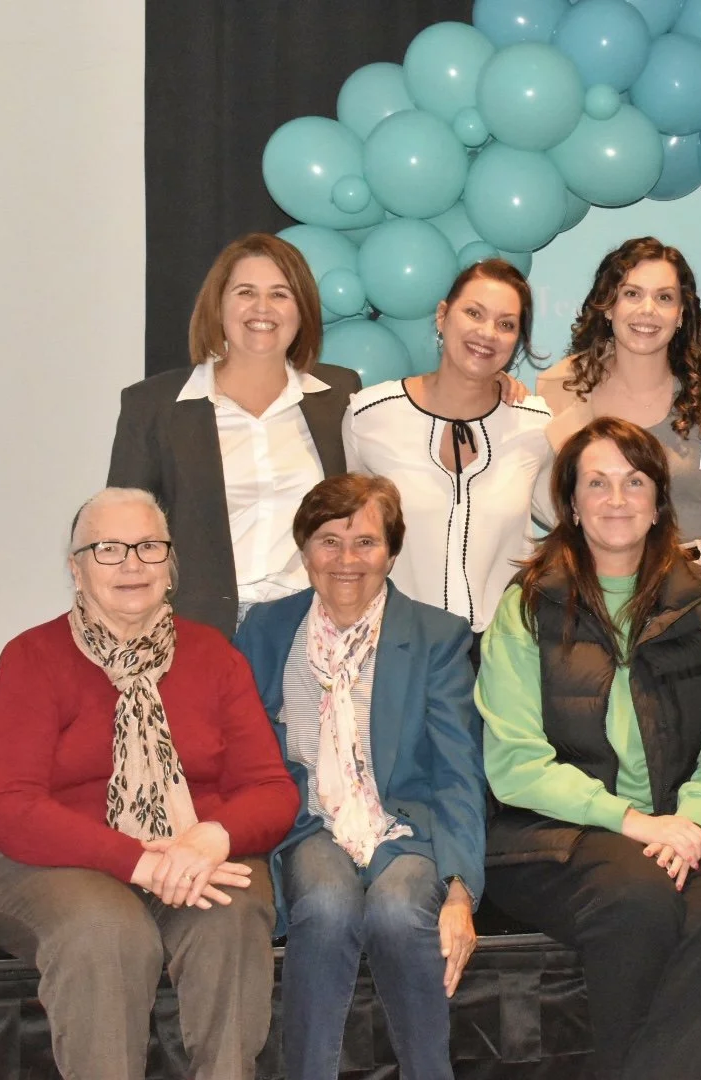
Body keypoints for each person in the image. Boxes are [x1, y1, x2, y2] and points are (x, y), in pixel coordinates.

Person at [0, 488, 299, 1080]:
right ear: (76, 567)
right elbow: (8, 806)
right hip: (40, 862)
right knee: (107, 933)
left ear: (171, 565)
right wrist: (137, 861)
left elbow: (271, 789)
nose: (132, 564)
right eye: (108, 549)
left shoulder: (213, 655)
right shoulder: (33, 657)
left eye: (148, 546)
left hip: (190, 855)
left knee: (232, 916)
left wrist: (209, 840)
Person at [477, 416, 701, 1079]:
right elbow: (515, 765)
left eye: (634, 482)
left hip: (687, 821)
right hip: (557, 834)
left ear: (659, 501)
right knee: (637, 897)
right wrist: (635, 823)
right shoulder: (528, 606)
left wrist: (691, 820)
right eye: (597, 483)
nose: (616, 499)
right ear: (571, 504)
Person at [234, 474, 486, 1080]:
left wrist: (459, 888)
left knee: (399, 913)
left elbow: (458, 772)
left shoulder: (437, 637)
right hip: (308, 822)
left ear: (392, 553)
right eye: (329, 541)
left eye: (366, 543)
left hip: (406, 825)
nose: (347, 560)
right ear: (305, 551)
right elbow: (243, 752)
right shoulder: (264, 632)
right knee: (324, 904)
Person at [108, 232, 362, 637]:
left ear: (303, 311)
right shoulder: (154, 405)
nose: (263, 308)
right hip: (194, 634)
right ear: (219, 306)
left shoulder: (340, 395)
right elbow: (119, 532)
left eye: (280, 294)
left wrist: (498, 388)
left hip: (312, 629)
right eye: (246, 292)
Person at [535, 236, 701, 603]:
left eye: (664, 298)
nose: (648, 309)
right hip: (601, 591)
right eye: (631, 294)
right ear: (607, 307)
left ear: (680, 315)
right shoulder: (561, 393)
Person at [343, 258, 552, 640]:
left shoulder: (534, 423)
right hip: (395, 646)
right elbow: (344, 536)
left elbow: (574, 515)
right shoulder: (369, 415)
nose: (487, 333)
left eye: (506, 324)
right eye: (474, 313)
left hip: (502, 652)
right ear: (443, 315)